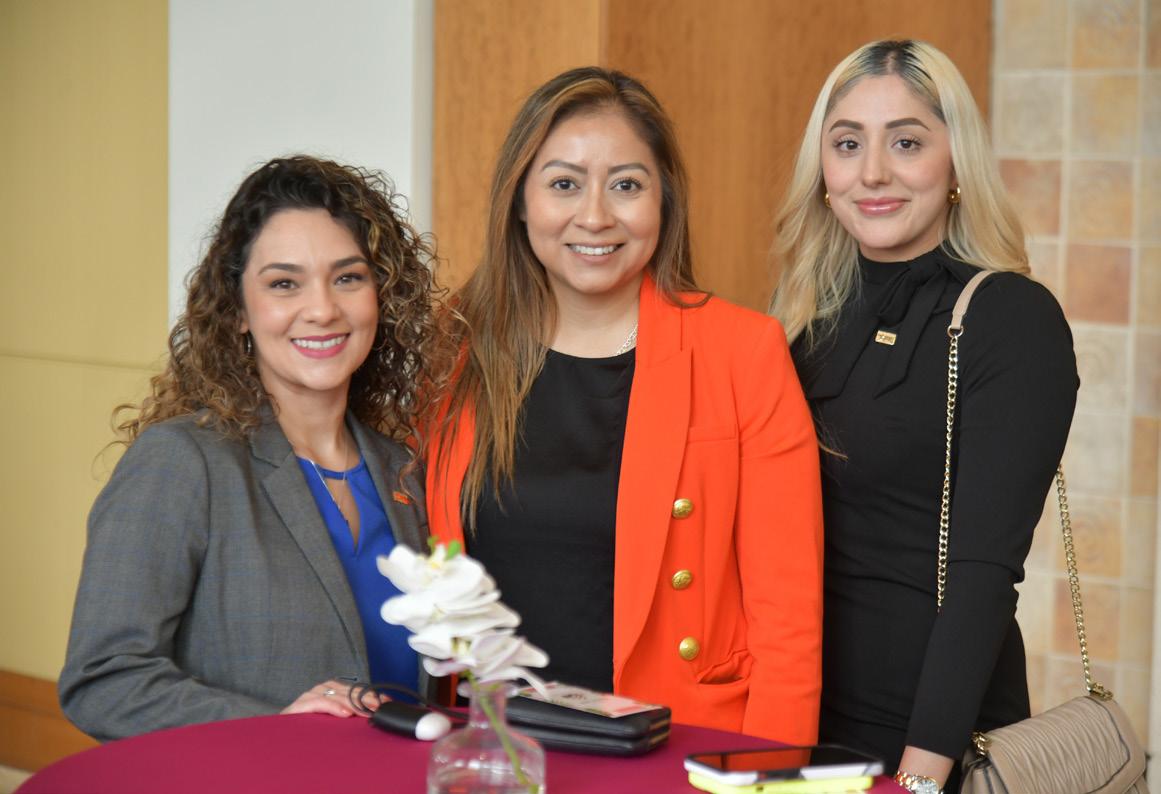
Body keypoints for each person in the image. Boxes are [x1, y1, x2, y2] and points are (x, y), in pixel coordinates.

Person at [425, 66, 824, 744]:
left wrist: (771, 774)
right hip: (493, 747)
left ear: (664, 201)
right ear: (519, 201)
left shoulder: (741, 351)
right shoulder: (455, 348)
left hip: (676, 746)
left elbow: (788, 618)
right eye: (564, 184)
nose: (595, 216)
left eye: (626, 185)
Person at [60, 156, 455, 741]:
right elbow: (102, 680)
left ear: (382, 296)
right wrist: (274, 728)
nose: (322, 309)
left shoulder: (404, 470)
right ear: (239, 310)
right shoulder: (182, 462)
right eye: (284, 283)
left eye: (348, 277)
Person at [771, 40, 1078, 793]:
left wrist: (919, 776)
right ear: (822, 170)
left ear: (955, 163)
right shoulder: (800, 318)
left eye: (906, 142)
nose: (872, 172)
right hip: (789, 722)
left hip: (928, 742)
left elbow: (983, 576)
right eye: (848, 144)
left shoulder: (1010, 318)